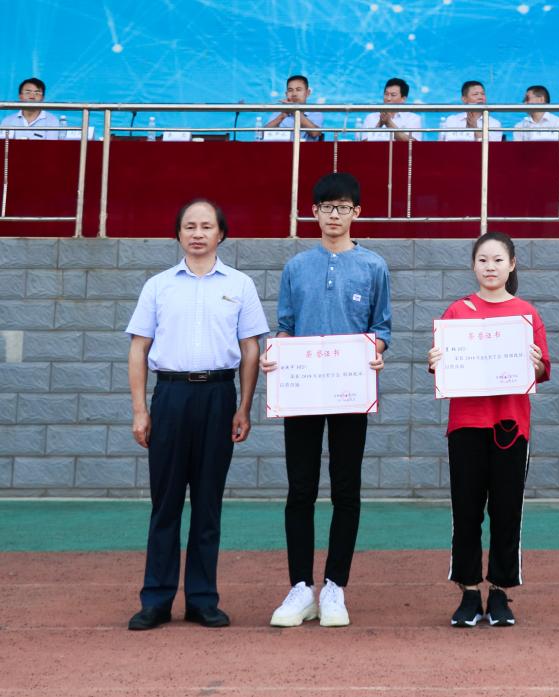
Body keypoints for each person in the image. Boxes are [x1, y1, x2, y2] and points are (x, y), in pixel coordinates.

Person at [125, 199, 269, 631]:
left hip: (218, 397)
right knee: (165, 503)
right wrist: (140, 409)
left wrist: (244, 406)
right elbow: (138, 348)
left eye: (207, 226)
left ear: (221, 234)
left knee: (208, 503)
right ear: (178, 234)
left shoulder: (240, 284)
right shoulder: (158, 286)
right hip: (169, 397)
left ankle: (203, 599)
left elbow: (250, 350)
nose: (198, 233)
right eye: (190, 226)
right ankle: (156, 599)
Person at [262, 172, 392, 628]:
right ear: (314, 212)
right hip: (301, 392)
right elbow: (285, 326)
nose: (335, 215)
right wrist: (275, 355)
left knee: (345, 489)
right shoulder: (296, 267)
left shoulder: (374, 266)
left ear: (357, 212)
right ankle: (300, 586)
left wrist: (376, 351)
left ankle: (335, 585)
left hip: (349, 391)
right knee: (300, 488)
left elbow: (382, 329)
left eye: (343, 207)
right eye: (326, 207)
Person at [426, 232, 551, 627]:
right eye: (483, 260)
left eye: (498, 260)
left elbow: (542, 369)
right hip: (466, 424)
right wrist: (436, 361)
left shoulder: (526, 314)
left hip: (511, 425)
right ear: (473, 266)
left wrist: (535, 364)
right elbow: (441, 367)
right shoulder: (457, 312)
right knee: (466, 509)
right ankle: (468, 591)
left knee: (506, 509)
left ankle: (499, 591)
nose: (490, 267)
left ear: (512, 264)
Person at [358, 77, 422, 141]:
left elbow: (413, 144)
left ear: (403, 99)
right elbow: (363, 144)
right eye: (386, 94)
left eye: (393, 95)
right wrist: (379, 124)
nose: (388, 99)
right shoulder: (371, 117)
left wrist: (388, 123)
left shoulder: (413, 118)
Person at [264, 75, 324, 141]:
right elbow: (263, 134)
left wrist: (294, 111)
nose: (294, 94)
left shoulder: (315, 113)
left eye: (298, 90)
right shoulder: (279, 113)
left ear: (307, 93)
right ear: (286, 94)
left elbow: (315, 133)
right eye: (290, 90)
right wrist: (282, 115)